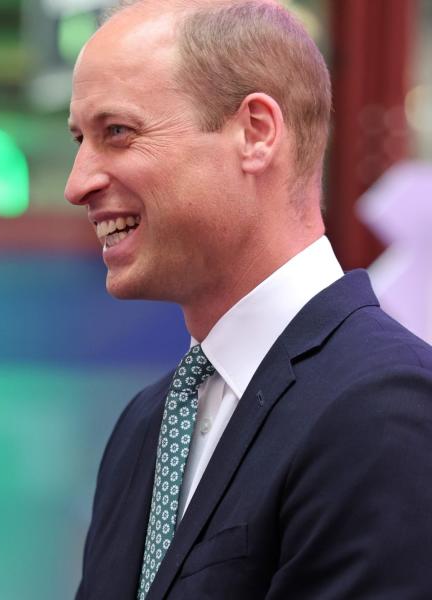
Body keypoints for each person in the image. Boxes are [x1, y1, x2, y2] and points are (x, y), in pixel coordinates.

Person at [65, 1, 432, 599]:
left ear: (256, 133)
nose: (78, 183)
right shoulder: (145, 425)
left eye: (118, 133)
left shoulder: (387, 408)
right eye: (82, 139)